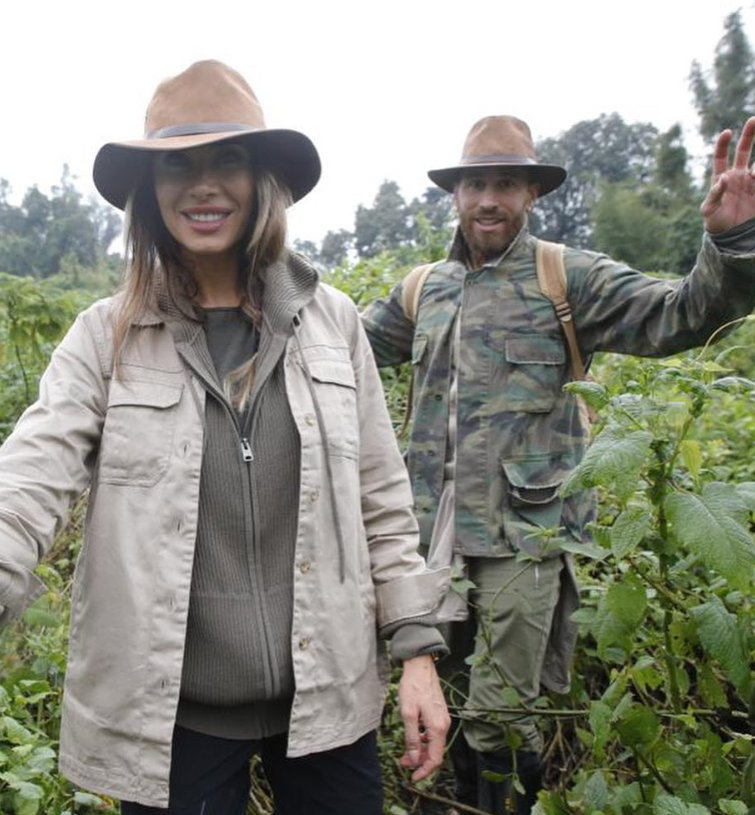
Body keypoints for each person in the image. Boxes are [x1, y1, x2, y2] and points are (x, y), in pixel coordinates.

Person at [0, 60, 452, 814]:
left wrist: (416, 651)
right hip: (174, 716)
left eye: (228, 160)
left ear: (263, 181)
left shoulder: (332, 324)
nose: (203, 184)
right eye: (178, 163)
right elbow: (29, 475)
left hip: (327, 705)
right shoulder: (103, 340)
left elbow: (380, 494)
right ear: (149, 192)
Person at [361, 114, 755, 814]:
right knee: (433, 697)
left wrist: (730, 241)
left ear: (530, 193)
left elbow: (683, 315)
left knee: (500, 712)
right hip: (427, 534)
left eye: (505, 183)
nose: (488, 199)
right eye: (476, 183)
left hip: (524, 535)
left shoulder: (564, 275)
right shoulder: (424, 288)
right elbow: (343, 349)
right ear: (455, 194)